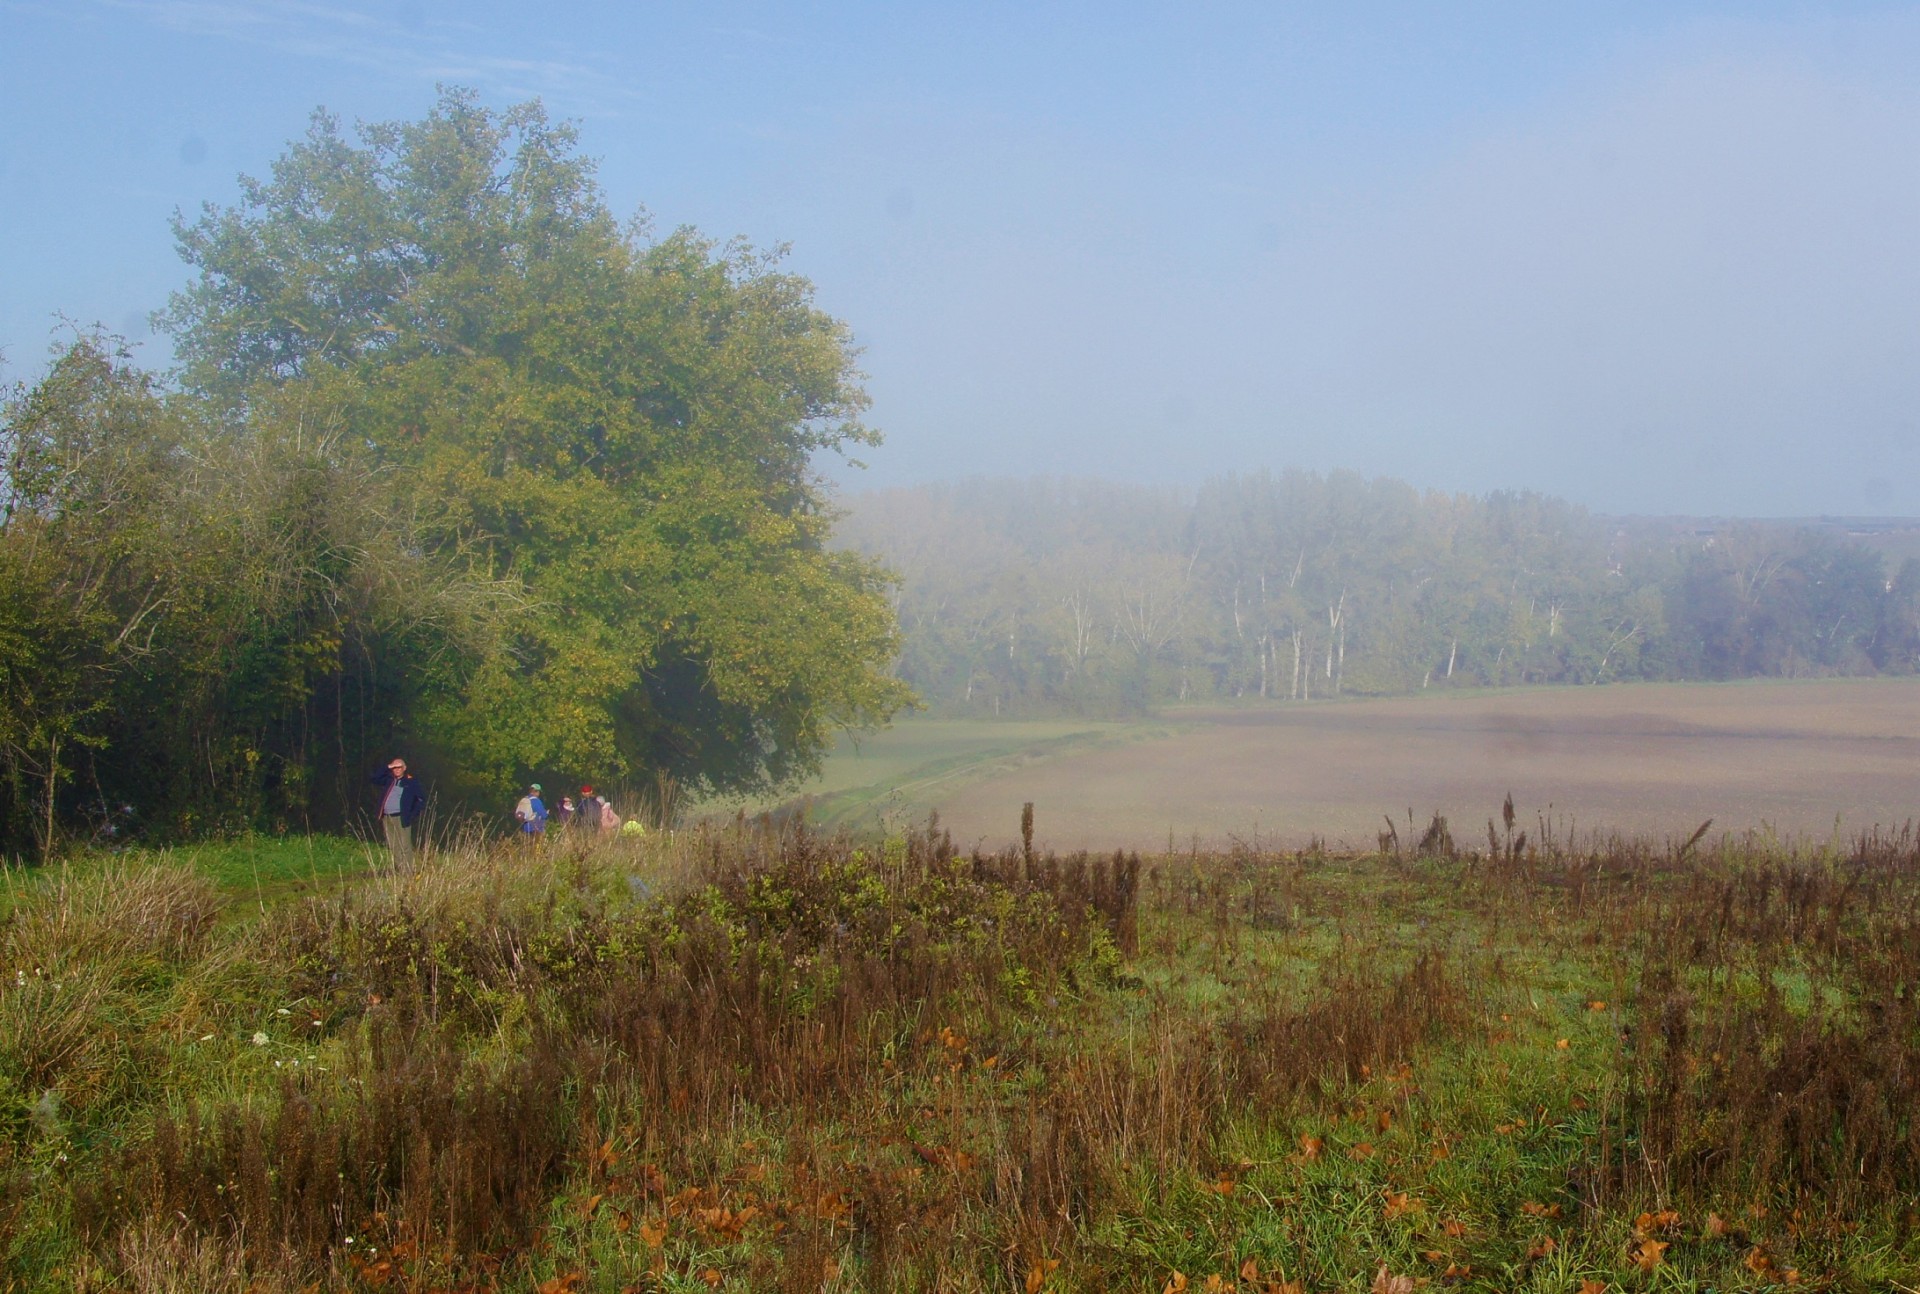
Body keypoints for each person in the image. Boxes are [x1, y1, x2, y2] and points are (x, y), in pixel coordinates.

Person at [369, 757, 424, 871]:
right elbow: (374, 778)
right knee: (393, 845)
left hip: (402, 817)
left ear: (404, 768)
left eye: (399, 767)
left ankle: (409, 871)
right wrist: (387, 767)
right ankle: (400, 869)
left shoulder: (411, 782)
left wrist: (411, 815)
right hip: (387, 817)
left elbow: (421, 800)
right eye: (394, 767)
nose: (397, 770)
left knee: (405, 845)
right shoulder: (389, 780)